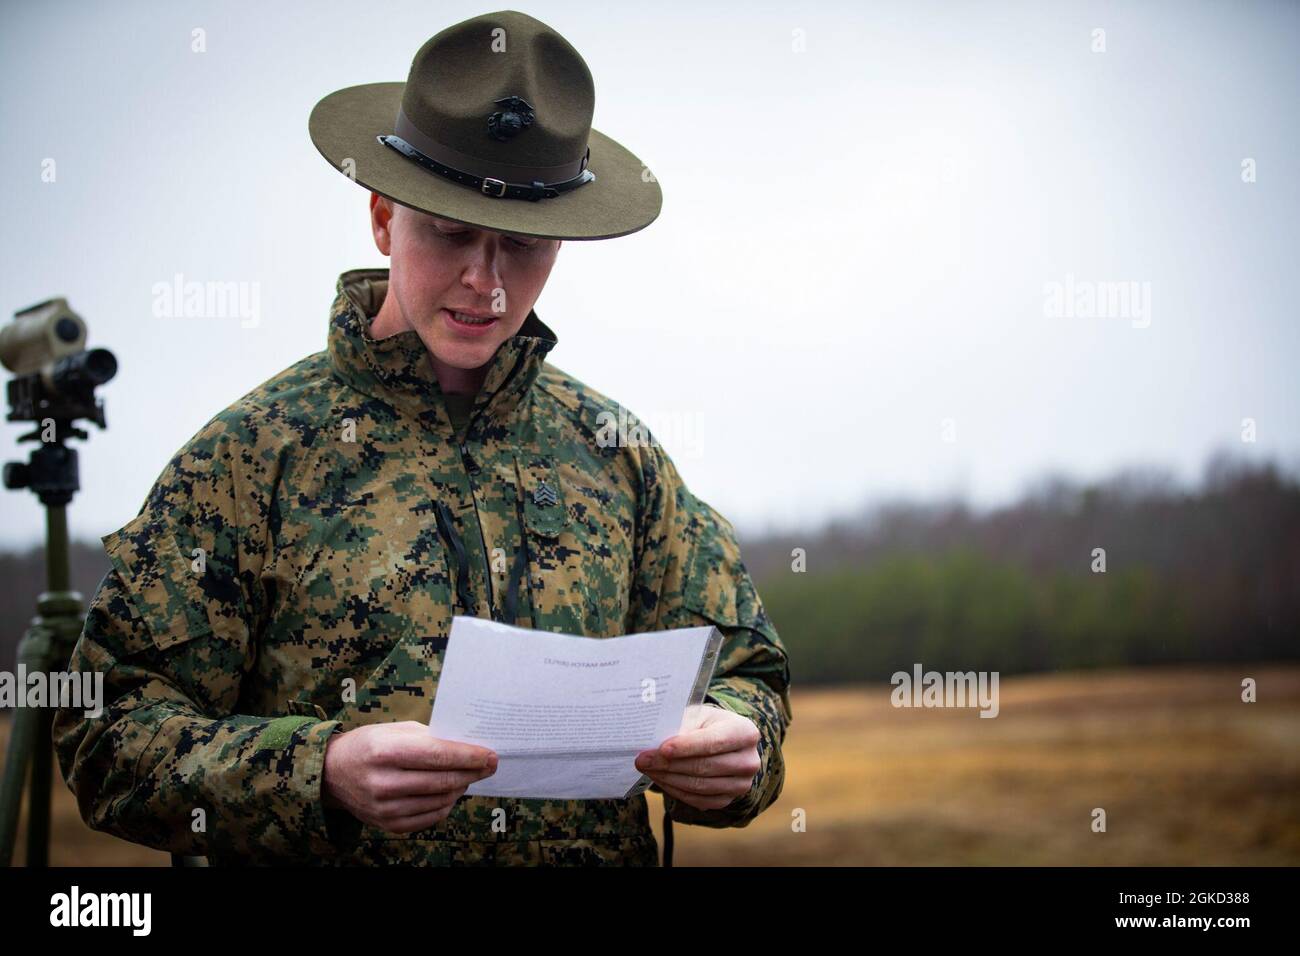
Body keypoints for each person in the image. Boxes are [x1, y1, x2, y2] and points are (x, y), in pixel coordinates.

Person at [53, 9, 791, 866]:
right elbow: (105, 737)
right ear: (381, 218)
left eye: (523, 245)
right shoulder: (249, 457)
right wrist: (316, 771)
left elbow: (749, 675)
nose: (486, 282)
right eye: (449, 234)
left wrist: (738, 742)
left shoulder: (617, 454)